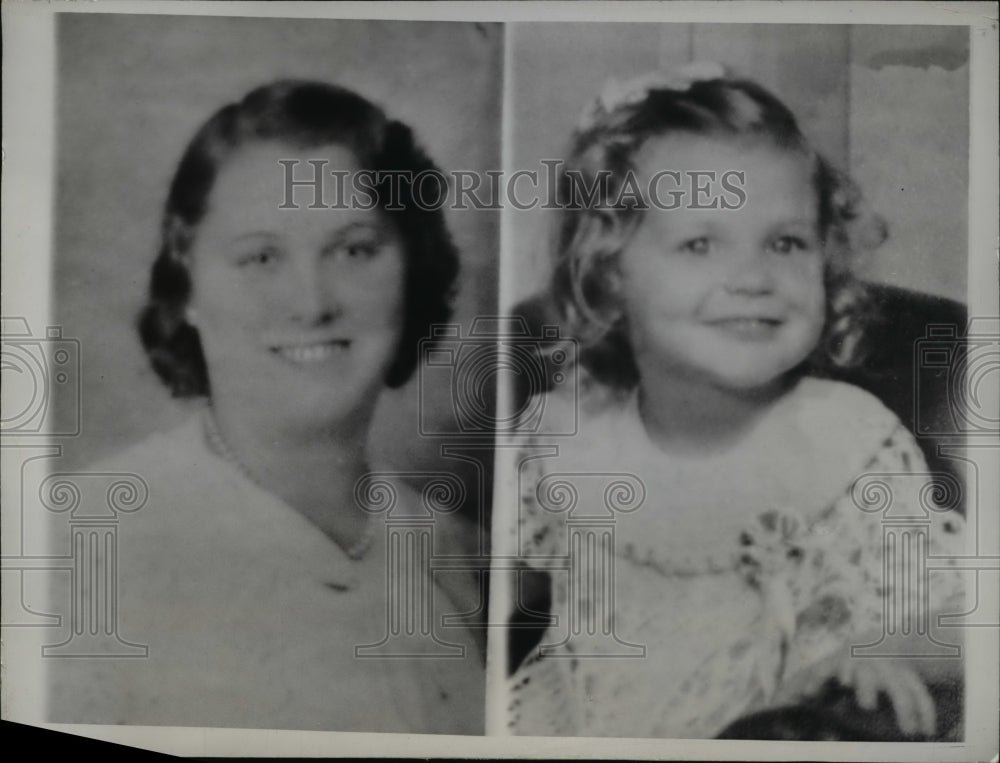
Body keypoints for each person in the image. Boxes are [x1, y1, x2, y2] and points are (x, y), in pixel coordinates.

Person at [505, 64, 966, 739]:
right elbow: (498, 607)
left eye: (785, 242)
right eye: (700, 243)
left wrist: (884, 651)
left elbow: (967, 620)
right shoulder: (564, 432)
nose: (753, 277)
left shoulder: (846, 443)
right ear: (609, 275)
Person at [47, 80, 484, 734]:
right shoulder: (79, 547)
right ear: (188, 283)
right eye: (260, 257)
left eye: (354, 249)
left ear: (411, 268)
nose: (310, 302)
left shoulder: (457, 551)